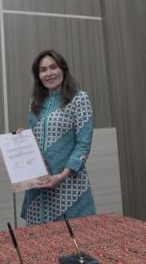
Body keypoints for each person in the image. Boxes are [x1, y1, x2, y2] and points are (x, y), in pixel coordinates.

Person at [21, 50, 95, 225]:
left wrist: (61, 176)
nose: (49, 73)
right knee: (40, 238)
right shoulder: (35, 102)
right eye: (43, 70)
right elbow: (34, 140)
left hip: (68, 184)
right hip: (39, 185)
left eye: (53, 67)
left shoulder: (79, 99)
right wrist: (22, 138)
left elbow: (83, 144)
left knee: (72, 237)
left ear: (63, 69)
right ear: (38, 76)